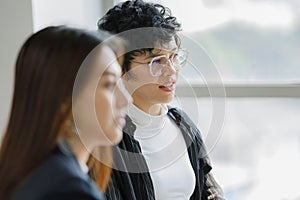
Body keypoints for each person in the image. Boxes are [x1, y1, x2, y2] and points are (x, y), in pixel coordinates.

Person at [98, 0, 225, 199]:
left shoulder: (182, 124)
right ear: (120, 65)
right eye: (155, 61)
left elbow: (210, 192)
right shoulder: (106, 138)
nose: (171, 71)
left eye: (174, 57)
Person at [0, 26, 131, 200]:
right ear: (63, 98)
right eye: (109, 84)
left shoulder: (30, 173)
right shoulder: (71, 191)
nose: (126, 100)